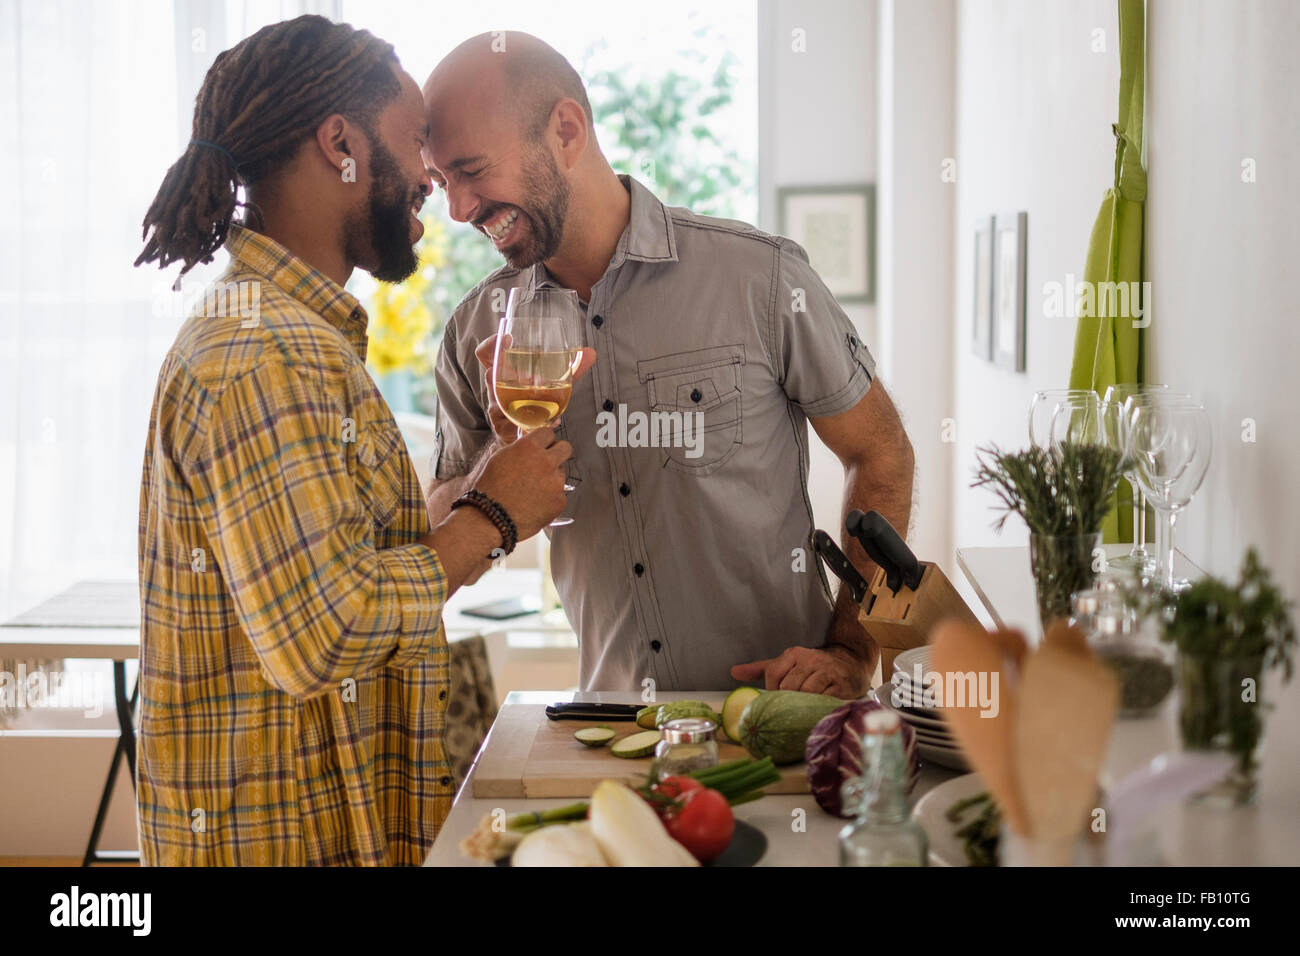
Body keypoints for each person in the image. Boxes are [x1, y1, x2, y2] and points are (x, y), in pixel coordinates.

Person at [133, 15, 574, 865]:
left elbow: (351, 575)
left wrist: (488, 472)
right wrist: (493, 514)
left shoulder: (293, 336)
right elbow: (324, 634)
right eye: (418, 147)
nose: (435, 186)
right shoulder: (262, 353)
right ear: (340, 143)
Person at [422, 33, 915, 700]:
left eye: (472, 170)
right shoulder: (475, 331)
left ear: (567, 131)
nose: (457, 209)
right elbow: (446, 538)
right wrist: (498, 472)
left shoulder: (761, 277)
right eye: (441, 182)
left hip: (783, 720)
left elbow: (881, 450)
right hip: (610, 726)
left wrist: (853, 651)